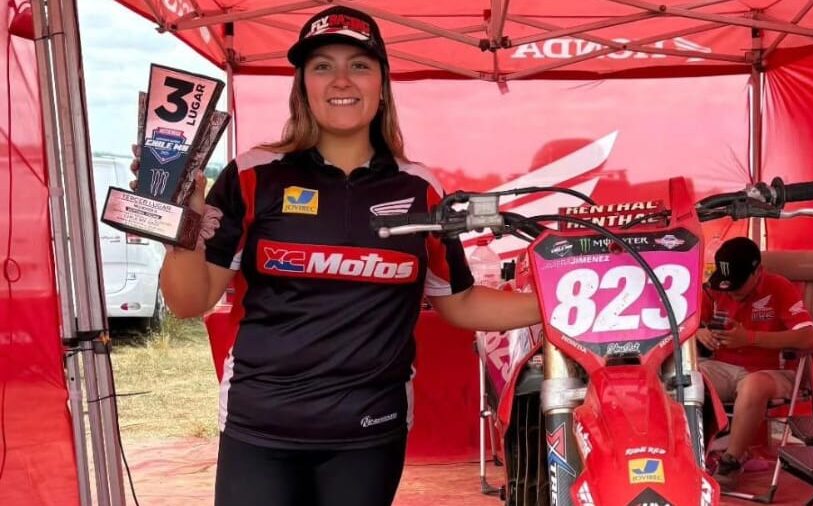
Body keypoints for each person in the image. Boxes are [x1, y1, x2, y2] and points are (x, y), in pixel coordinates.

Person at [157, 6, 541, 506]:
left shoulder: (419, 188)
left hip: (369, 430)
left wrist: (556, 307)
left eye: (359, 65)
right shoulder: (253, 175)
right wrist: (180, 225)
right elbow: (189, 301)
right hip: (261, 427)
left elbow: (460, 303)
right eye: (323, 66)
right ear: (303, 85)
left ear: (382, 85)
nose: (342, 79)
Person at [696, 237, 813, 490]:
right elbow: (684, 324)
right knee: (686, 377)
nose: (731, 291)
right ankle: (692, 456)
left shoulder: (779, 287)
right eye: (727, 284)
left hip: (772, 371)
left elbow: (809, 337)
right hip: (722, 367)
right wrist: (698, 332)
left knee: (753, 385)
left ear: (757, 271)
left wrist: (750, 338)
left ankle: (731, 461)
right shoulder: (714, 288)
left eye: (738, 284)